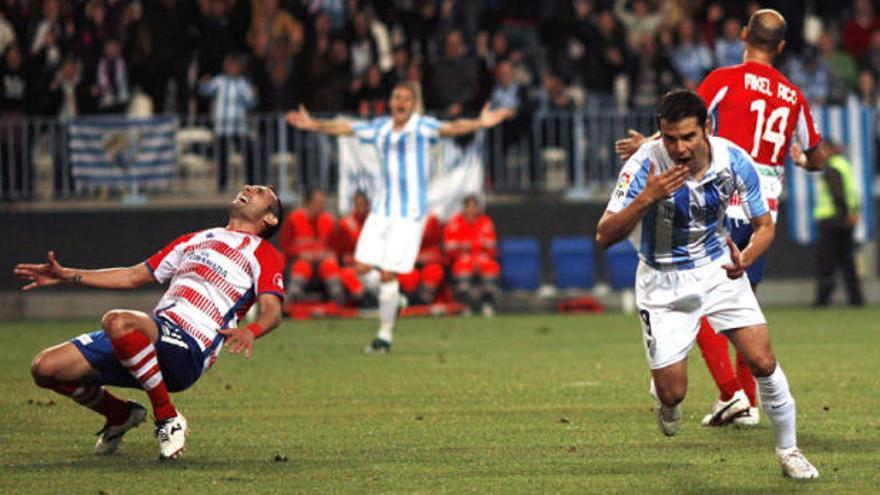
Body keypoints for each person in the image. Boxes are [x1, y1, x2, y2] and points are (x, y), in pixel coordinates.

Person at [615, 9, 826, 428]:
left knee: (701, 302)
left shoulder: (723, 79)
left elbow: (687, 120)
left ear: (745, 34)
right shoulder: (792, 94)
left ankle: (732, 393)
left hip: (717, 198)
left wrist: (651, 145)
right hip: (761, 208)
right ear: (781, 47)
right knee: (743, 306)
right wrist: (801, 158)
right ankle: (745, 399)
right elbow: (817, 156)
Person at [597, 90, 819, 480]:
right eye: (669, 138)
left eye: (688, 137)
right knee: (673, 394)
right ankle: (664, 397)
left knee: (763, 361)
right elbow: (604, 235)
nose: (678, 148)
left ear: (707, 129)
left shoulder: (734, 160)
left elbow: (764, 226)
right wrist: (647, 197)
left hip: (719, 269)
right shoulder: (642, 166)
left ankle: (790, 452)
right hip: (663, 282)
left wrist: (747, 258)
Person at [15, 185, 285, 460]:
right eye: (251, 186)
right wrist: (66, 275)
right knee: (45, 368)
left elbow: (272, 311)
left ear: (270, 218)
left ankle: (167, 418)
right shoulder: (195, 239)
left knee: (118, 322)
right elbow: (132, 276)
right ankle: (120, 415)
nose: (249, 188)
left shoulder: (264, 254)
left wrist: (251, 331)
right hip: (154, 334)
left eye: (261, 191)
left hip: (190, 346)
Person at [286, 81, 511, 353]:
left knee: (388, 274)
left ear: (413, 104)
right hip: (381, 211)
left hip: (409, 215)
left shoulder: (422, 127)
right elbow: (346, 128)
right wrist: (314, 126)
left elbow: (452, 128)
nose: (400, 103)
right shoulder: (380, 128)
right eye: (396, 98)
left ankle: (384, 336)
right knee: (361, 268)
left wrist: (480, 123)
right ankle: (393, 301)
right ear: (390, 102)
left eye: (406, 99)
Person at [808, 142, 865, 306]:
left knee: (827, 263)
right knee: (848, 262)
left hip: (832, 221)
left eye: (824, 149)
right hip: (844, 221)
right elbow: (851, 193)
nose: (822, 153)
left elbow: (838, 194)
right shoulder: (845, 166)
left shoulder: (832, 168)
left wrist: (844, 214)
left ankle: (822, 300)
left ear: (831, 150)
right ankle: (856, 299)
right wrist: (851, 213)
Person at [199, 53, 257, 192]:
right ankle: (222, 185)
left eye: (236, 65)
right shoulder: (220, 81)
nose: (233, 68)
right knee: (222, 157)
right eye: (231, 65)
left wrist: (254, 94)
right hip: (223, 126)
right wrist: (203, 82)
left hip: (239, 127)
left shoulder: (244, 83)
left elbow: (251, 102)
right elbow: (205, 91)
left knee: (248, 152)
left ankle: (251, 184)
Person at [279, 188, 344, 305]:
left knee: (331, 266)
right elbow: (285, 247)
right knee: (302, 267)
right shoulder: (293, 219)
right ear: (307, 203)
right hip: (300, 262)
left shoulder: (328, 220)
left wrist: (331, 255)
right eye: (318, 203)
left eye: (322, 203)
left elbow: (336, 247)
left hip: (322, 263)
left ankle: (338, 302)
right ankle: (290, 303)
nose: (321, 206)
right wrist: (300, 254)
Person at [443, 195, 501, 316]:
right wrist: (466, 247)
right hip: (462, 258)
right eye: (468, 207)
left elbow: (491, 244)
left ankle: (487, 304)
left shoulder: (485, 221)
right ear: (463, 208)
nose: (471, 210)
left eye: (473, 207)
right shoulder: (455, 222)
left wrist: (470, 246)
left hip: (481, 257)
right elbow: (449, 246)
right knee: (462, 266)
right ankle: (465, 306)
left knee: (490, 266)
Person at [398, 213, 445, 306]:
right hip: (409, 263)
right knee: (409, 276)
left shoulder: (433, 220)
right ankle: (410, 302)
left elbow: (438, 249)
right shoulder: (402, 220)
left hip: (430, 261)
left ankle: (426, 302)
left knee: (433, 271)